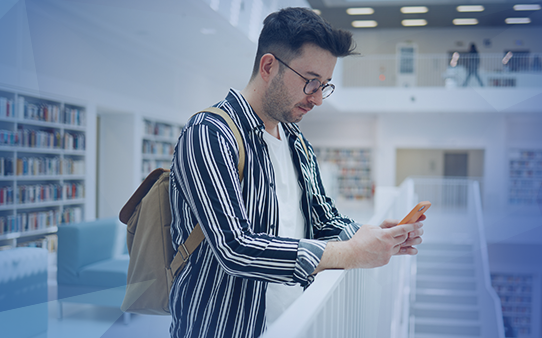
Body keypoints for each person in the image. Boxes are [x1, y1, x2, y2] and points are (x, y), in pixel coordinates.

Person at [168, 7, 425, 338]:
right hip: (221, 327)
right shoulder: (210, 132)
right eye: (310, 82)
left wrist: (371, 235)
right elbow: (236, 248)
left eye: (325, 85)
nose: (317, 98)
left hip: (293, 323)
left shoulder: (296, 141)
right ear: (268, 66)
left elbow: (322, 221)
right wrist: (351, 253)